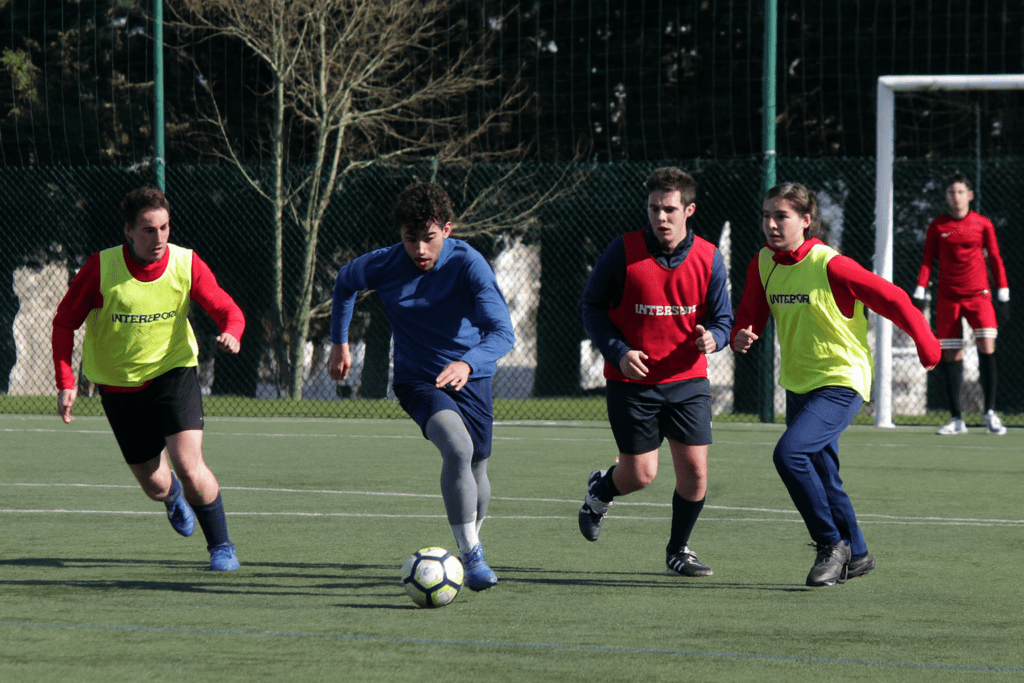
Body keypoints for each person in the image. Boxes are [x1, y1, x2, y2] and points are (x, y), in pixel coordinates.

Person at [731, 182, 941, 587]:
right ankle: (857, 554)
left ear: (806, 221)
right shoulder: (763, 262)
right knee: (824, 475)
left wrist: (926, 343)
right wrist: (742, 333)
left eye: (781, 216)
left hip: (842, 380)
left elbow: (893, 298)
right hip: (799, 383)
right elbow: (751, 312)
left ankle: (831, 544)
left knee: (790, 454)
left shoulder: (831, 264)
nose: (771, 224)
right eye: (766, 216)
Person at [328, 182, 515, 591]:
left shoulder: (470, 264)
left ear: (447, 229)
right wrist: (339, 343)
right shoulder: (385, 263)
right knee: (458, 448)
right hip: (418, 381)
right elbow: (345, 282)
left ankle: (471, 541)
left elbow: (503, 333)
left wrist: (467, 363)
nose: (419, 249)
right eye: (410, 238)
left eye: (428, 238)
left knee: (478, 463)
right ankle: (472, 554)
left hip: (472, 377)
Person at [52, 186, 245, 571]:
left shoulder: (185, 263)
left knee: (188, 465)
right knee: (156, 486)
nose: (159, 238)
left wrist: (232, 332)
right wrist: (66, 381)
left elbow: (228, 308)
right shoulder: (101, 268)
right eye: (148, 230)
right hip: (119, 386)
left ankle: (221, 546)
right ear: (128, 231)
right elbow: (64, 323)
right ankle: (172, 496)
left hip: (173, 372)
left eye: (165, 227)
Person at [577, 167, 733, 577]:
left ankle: (678, 550)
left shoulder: (709, 257)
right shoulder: (623, 251)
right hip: (632, 383)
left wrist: (715, 338)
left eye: (669, 209)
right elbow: (592, 307)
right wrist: (619, 351)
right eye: (654, 209)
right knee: (641, 475)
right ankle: (601, 491)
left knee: (696, 474)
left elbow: (723, 320)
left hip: (688, 381)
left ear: (689, 210)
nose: (661, 217)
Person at [912, 172, 1010, 436]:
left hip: (979, 297)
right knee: (951, 355)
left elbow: (995, 258)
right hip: (947, 298)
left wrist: (1003, 293)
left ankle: (990, 413)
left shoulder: (983, 224)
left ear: (970, 195)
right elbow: (927, 260)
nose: (955, 197)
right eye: (951, 192)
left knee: (986, 348)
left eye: (960, 192)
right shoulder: (938, 226)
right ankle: (956, 418)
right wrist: (920, 290)